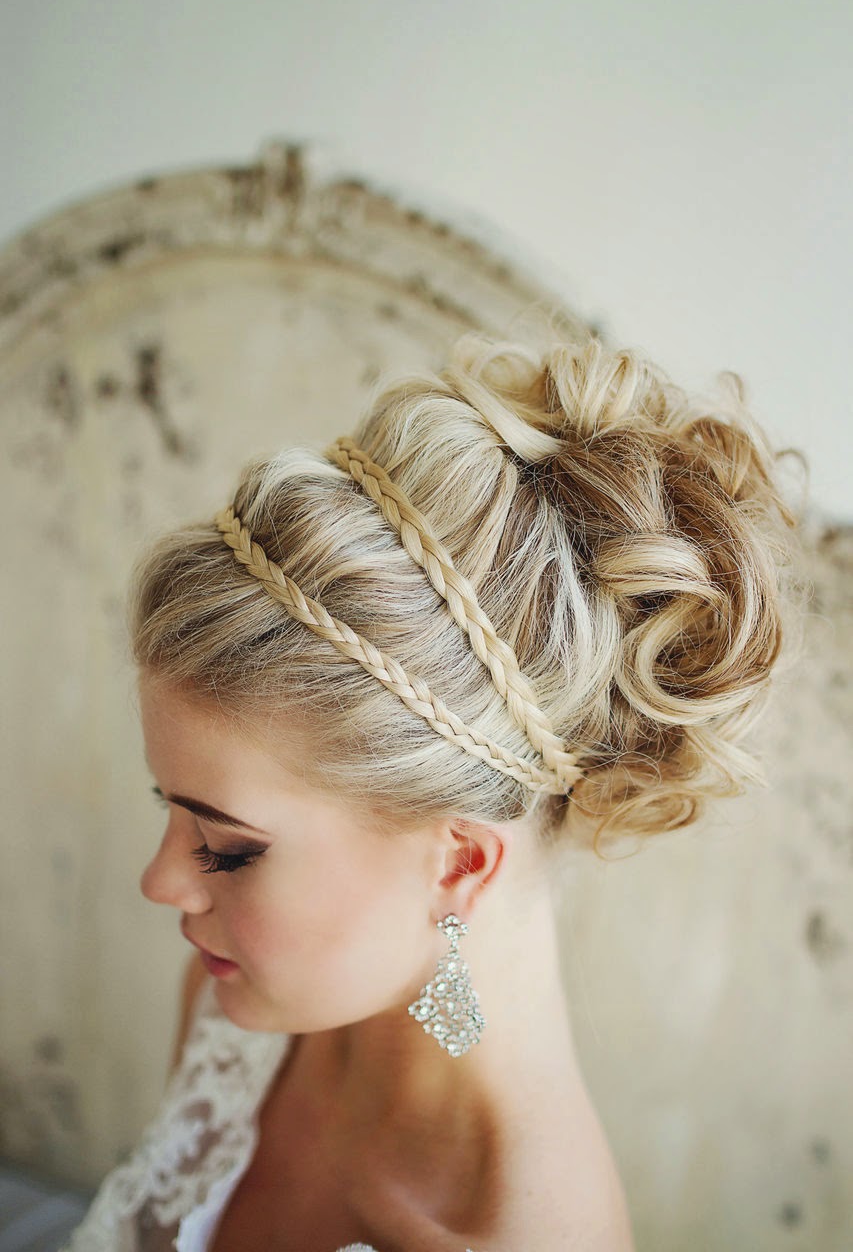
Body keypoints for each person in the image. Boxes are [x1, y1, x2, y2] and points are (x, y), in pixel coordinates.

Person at [62, 327, 797, 1252]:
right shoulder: (240, 1013)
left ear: (457, 861)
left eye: (228, 849)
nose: (161, 882)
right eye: (168, 811)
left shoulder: (519, 1234)